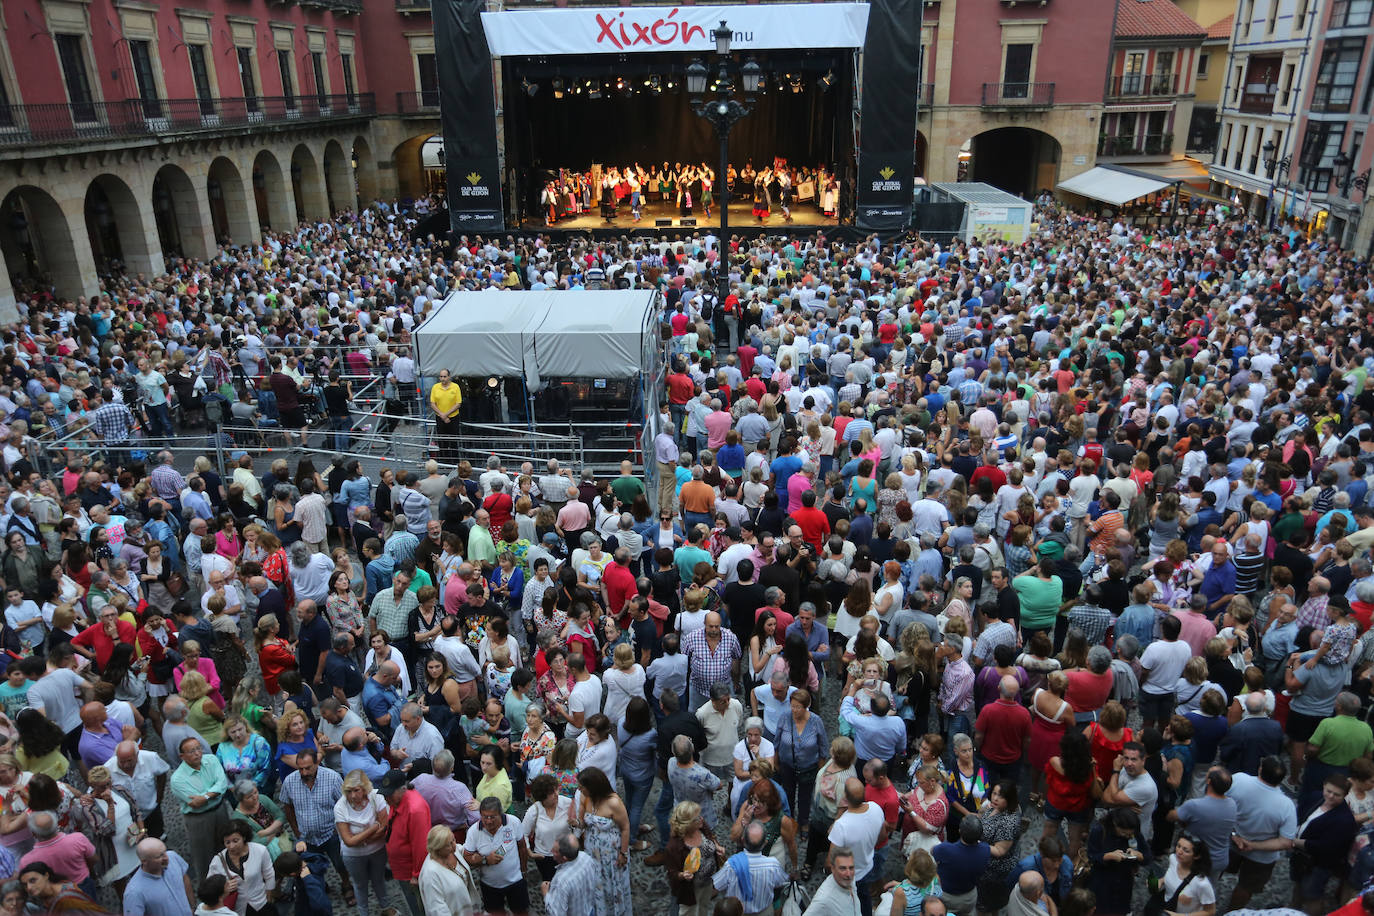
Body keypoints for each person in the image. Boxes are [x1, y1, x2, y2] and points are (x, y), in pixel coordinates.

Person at [169, 735, 231, 881]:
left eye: (198, 748)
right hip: (198, 819)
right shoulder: (177, 779)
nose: (197, 753)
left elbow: (222, 784)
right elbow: (196, 803)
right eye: (191, 751)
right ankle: (208, 887)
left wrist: (205, 797)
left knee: (227, 846)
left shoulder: (212, 760)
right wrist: (212, 792)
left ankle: (230, 877)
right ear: (182, 756)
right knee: (204, 856)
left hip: (220, 810)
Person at [334, 769, 391, 916]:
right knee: (360, 885)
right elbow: (349, 841)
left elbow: (384, 827)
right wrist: (373, 827)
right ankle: (363, 912)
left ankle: (386, 907)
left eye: (356, 790)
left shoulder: (376, 797)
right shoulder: (340, 807)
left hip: (378, 850)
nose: (352, 795)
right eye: (349, 791)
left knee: (379, 880)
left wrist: (360, 838)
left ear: (365, 788)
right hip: (353, 855)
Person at [461, 796, 530, 916]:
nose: (488, 821)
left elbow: (522, 846)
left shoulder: (513, 822)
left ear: (501, 814)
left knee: (521, 912)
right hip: (490, 885)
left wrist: (523, 870)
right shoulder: (474, 831)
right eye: (484, 817)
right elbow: (467, 856)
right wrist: (485, 860)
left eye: (492, 817)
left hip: (515, 881)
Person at [379, 768, 432, 916]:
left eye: (389, 793)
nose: (386, 797)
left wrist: (416, 875)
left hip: (411, 873)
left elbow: (421, 846)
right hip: (402, 868)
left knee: (420, 907)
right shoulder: (396, 800)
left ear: (403, 789)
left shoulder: (415, 810)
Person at [713, 819, 789, 916]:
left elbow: (716, 885)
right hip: (764, 912)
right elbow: (780, 883)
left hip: (737, 913)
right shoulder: (773, 865)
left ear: (743, 840)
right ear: (765, 843)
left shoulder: (731, 864)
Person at [205, 819, 275, 916]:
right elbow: (210, 888)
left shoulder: (260, 851)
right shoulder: (217, 861)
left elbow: (269, 875)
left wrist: (269, 898)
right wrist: (225, 887)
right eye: (227, 842)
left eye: (235, 841)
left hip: (261, 903)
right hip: (237, 910)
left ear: (244, 838)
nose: (231, 846)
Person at [418, 823, 480, 916]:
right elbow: (437, 909)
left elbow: (466, 851)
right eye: (448, 844)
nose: (454, 845)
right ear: (437, 848)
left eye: (453, 840)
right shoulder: (430, 875)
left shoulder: (453, 852)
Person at [122, 838, 195, 916]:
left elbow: (185, 879)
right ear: (144, 861)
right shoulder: (134, 892)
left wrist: (192, 907)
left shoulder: (173, 857)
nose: (166, 858)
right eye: (159, 856)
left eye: (164, 852)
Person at [542, 832, 601, 916]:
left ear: (564, 857)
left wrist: (546, 894)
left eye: (555, 851)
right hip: (589, 911)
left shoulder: (561, 880)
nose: (551, 851)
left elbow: (555, 913)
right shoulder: (586, 857)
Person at [804, 846, 862, 916]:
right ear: (833, 869)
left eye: (851, 868)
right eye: (842, 868)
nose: (848, 874)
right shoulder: (824, 900)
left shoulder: (849, 879)